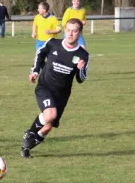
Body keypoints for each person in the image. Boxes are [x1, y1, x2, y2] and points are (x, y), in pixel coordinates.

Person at [21, 19, 89, 158]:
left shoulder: (83, 55)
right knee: (50, 115)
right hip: (45, 87)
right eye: (68, 30)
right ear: (65, 30)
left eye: (74, 31)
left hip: (62, 95)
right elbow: (40, 53)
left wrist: (80, 69)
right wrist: (34, 71)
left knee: (48, 126)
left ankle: (27, 147)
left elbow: (80, 79)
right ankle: (30, 132)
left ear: (80, 33)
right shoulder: (53, 43)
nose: (70, 34)